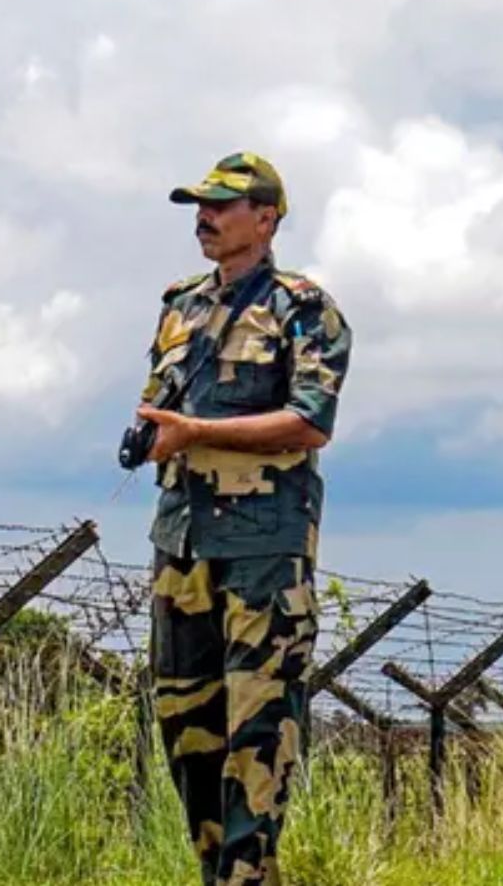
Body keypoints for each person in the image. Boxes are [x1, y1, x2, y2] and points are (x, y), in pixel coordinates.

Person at [134, 152, 351, 886]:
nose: (205, 217)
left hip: (264, 545)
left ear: (265, 219)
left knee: (258, 728)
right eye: (200, 206)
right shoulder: (180, 304)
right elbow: (161, 404)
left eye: (221, 206)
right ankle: (216, 872)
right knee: (185, 723)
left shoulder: (303, 308)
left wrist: (197, 433)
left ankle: (249, 874)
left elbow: (311, 422)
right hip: (181, 539)